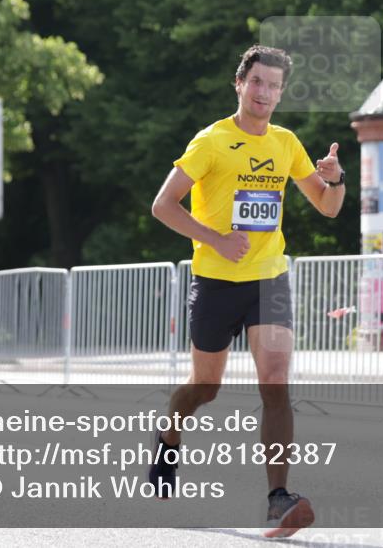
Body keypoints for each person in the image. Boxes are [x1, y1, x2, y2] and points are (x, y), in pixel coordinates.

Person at [150, 45, 345, 537]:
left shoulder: (285, 143)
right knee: (205, 388)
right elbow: (163, 205)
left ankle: (279, 499)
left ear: (281, 94)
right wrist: (215, 239)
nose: (264, 92)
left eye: (274, 86)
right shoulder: (211, 141)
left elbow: (328, 207)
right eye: (257, 82)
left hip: (268, 279)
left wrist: (336, 179)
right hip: (216, 281)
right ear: (240, 84)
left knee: (275, 382)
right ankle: (169, 436)